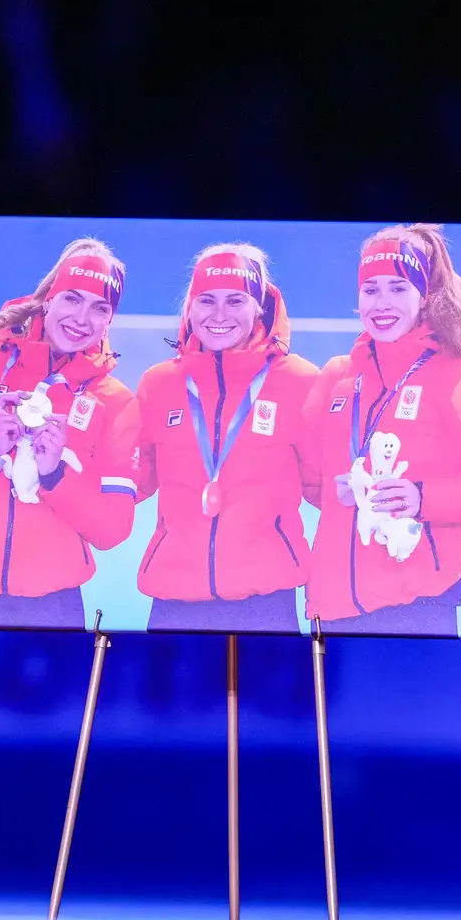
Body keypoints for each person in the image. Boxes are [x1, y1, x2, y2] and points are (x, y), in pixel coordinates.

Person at [301, 225, 461, 634]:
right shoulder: (337, 377)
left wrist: (421, 497)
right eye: (370, 290)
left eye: (398, 288)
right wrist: (344, 491)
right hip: (332, 605)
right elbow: (309, 479)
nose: (381, 304)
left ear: (425, 297)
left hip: (417, 606)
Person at [0, 238, 138, 628]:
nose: (82, 318)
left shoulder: (115, 401)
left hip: (56, 604)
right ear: (48, 299)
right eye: (72, 299)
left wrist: (55, 476)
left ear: (110, 320)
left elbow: (112, 529)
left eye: (100, 308)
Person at [127, 243, 321, 632]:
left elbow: (323, 487)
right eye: (206, 300)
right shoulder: (159, 383)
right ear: (190, 307)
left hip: (267, 600)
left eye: (235, 301)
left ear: (259, 306)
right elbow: (135, 480)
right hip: (173, 598)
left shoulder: (298, 382)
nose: (219, 315)